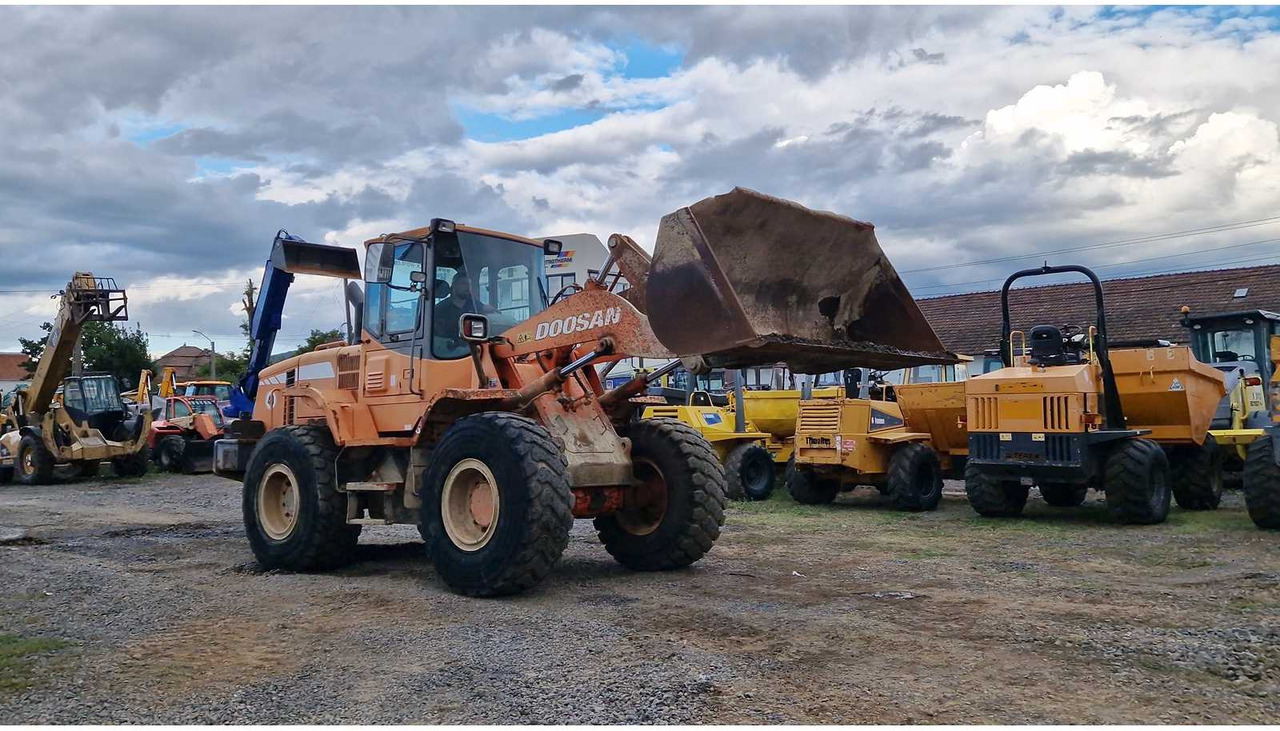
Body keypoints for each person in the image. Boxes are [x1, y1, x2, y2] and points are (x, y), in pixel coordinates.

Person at [433, 270, 496, 341]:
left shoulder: (475, 305)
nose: (467, 287)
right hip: (450, 348)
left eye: (469, 284)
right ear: (454, 285)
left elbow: (489, 311)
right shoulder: (440, 309)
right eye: (463, 283)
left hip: (474, 344)